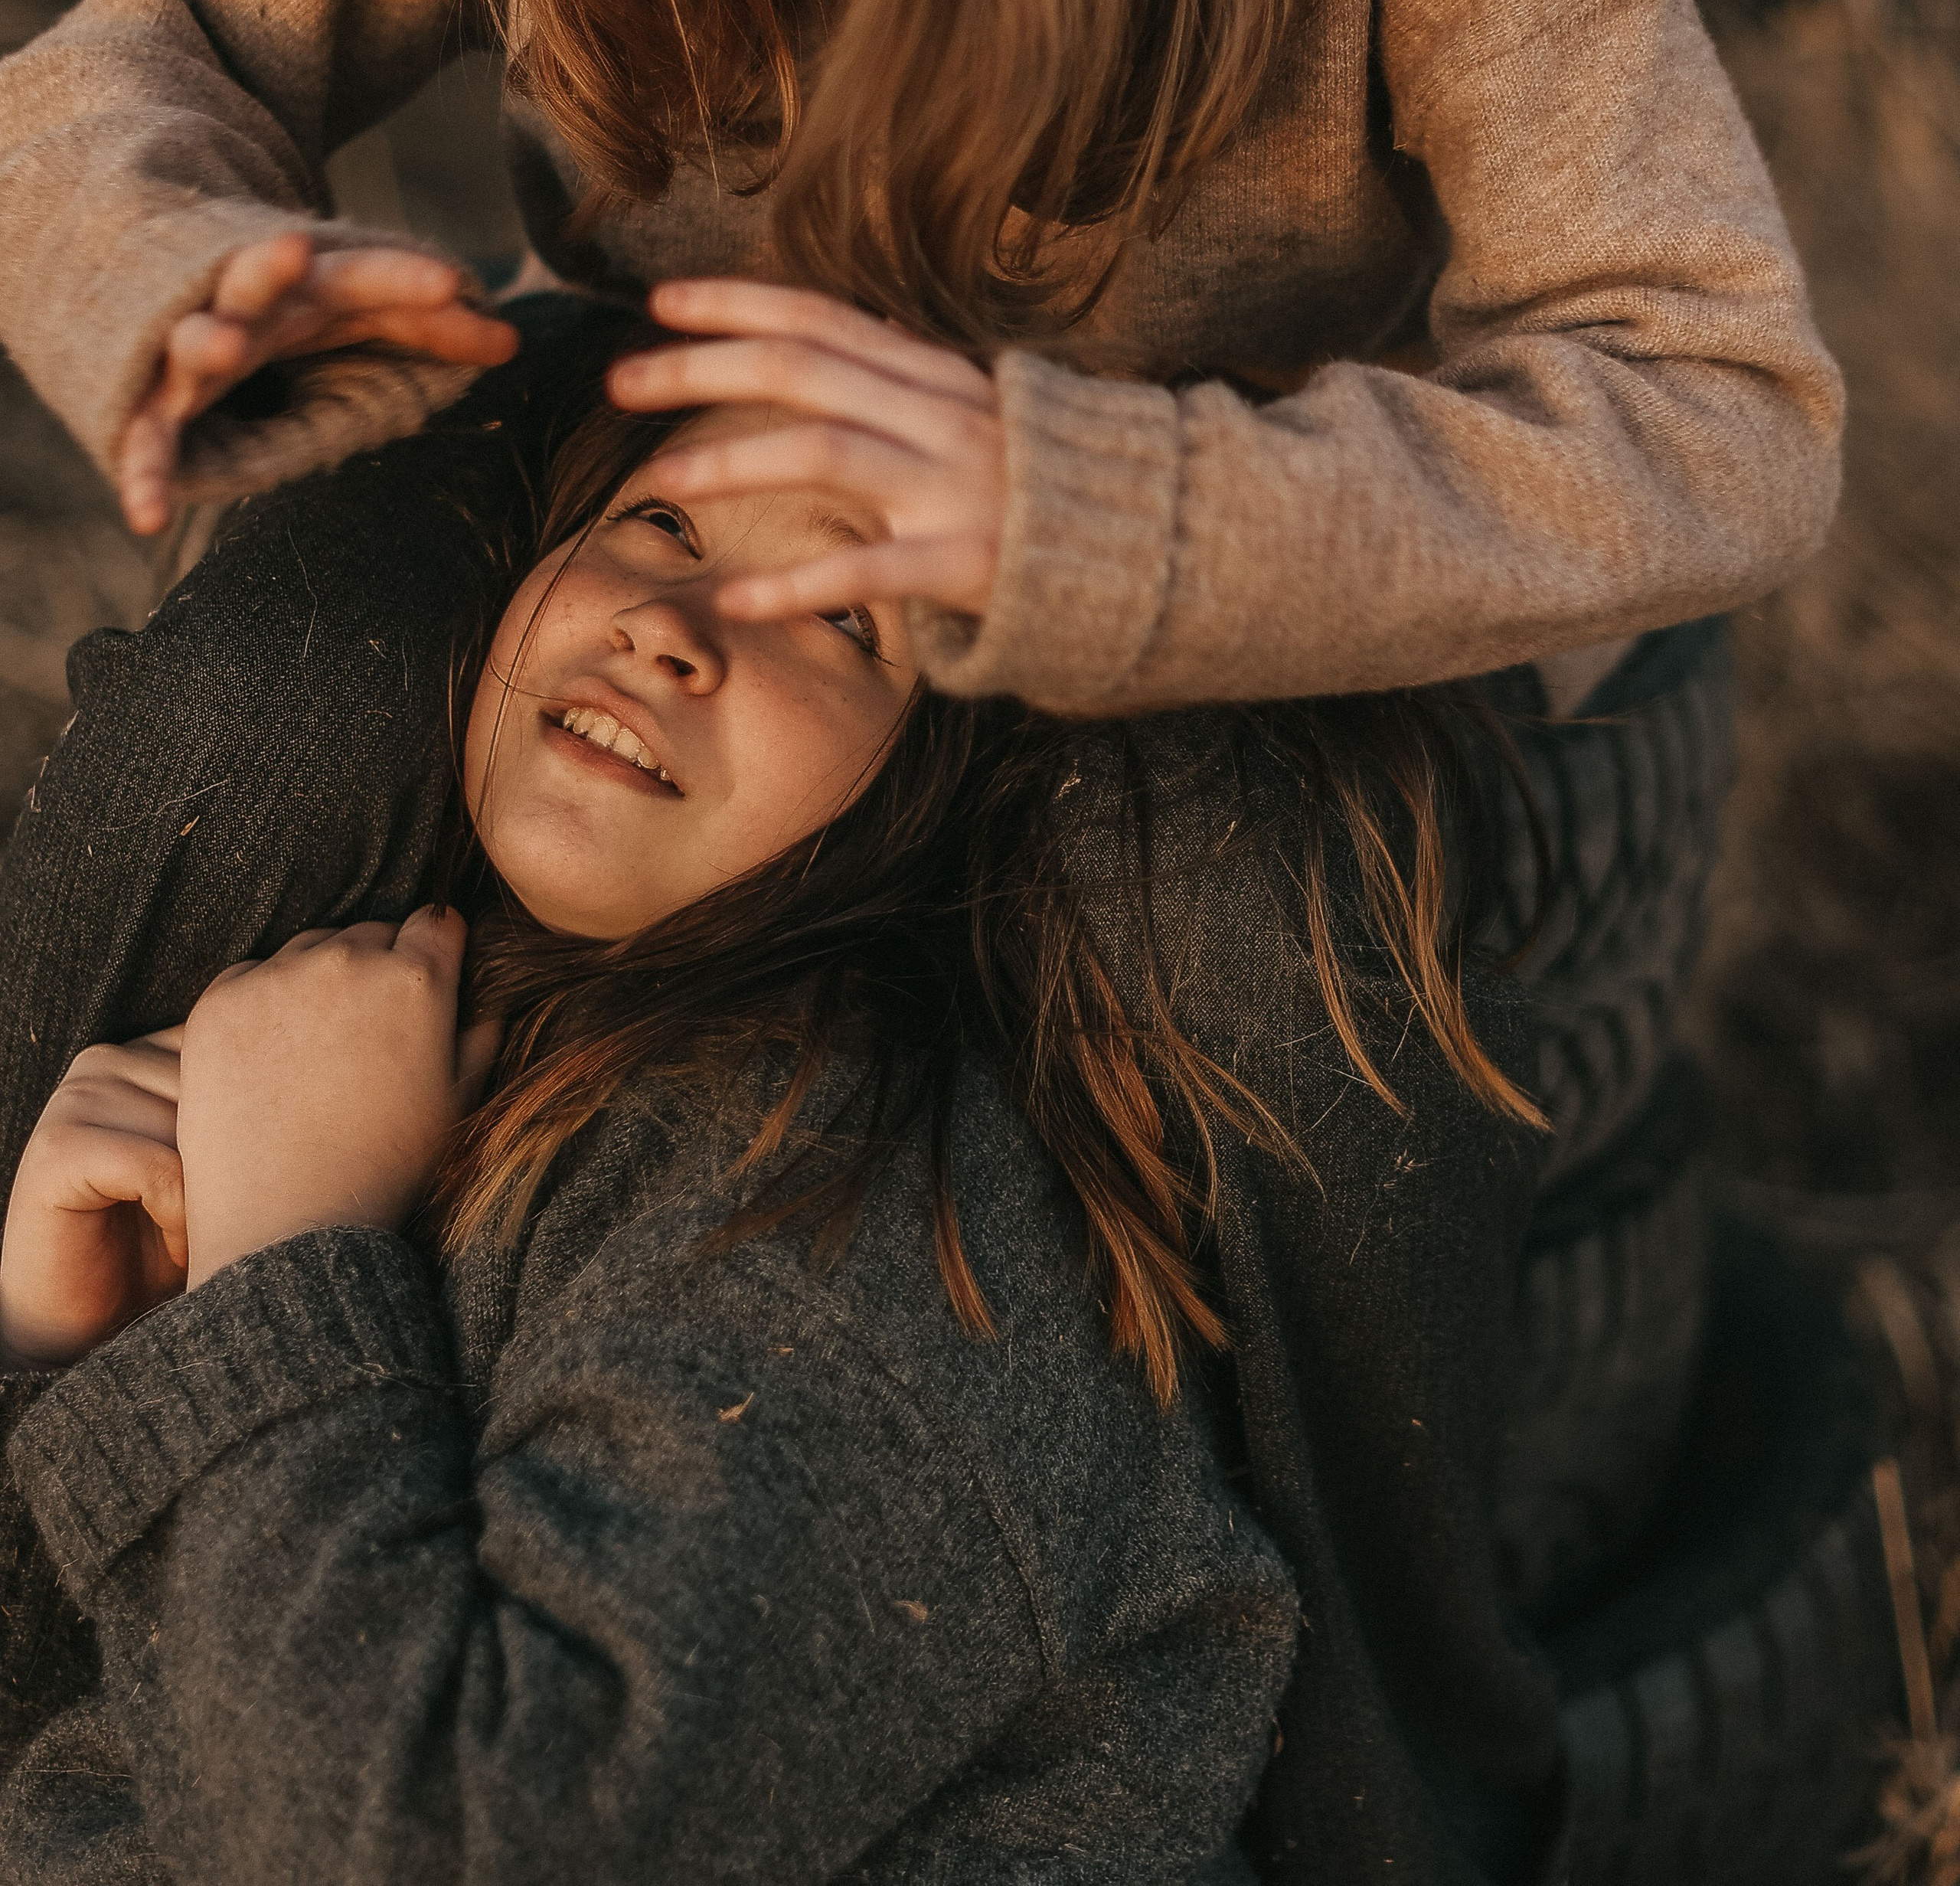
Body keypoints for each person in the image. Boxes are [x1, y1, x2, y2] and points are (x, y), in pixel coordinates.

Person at [0, 0, 1838, 1876]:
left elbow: (1721, 406)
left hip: (1231, 577)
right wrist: (190, 272)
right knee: (263, 701)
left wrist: (1090, 517)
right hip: (673, 459)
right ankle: (64, 1446)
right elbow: (156, 14)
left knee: (1257, 975)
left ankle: (1394, 1783)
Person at [0, 384, 1540, 1884]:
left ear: (937, 789)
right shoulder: (437, 1051)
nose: (672, 619)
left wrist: (286, 1262)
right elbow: (144, 1746)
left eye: (837, 613)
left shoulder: (873, 1245)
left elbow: (418, 1846)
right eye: (661, 519)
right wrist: (97, 1348)